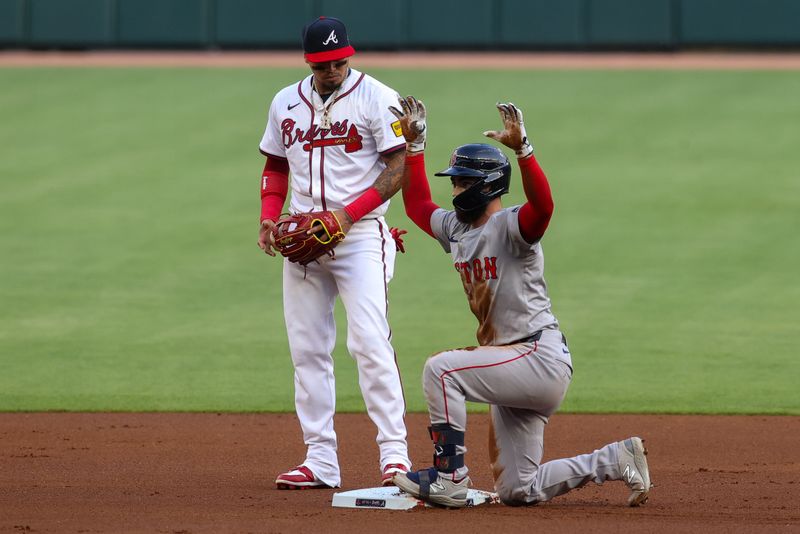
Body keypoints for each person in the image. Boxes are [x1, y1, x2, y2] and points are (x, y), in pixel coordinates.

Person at [389, 96, 652, 508]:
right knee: (518, 489)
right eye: (454, 181)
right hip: (514, 366)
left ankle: (449, 476)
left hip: (536, 356)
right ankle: (617, 459)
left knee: (441, 370)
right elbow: (417, 205)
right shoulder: (457, 229)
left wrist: (524, 152)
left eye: (461, 181)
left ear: (486, 185)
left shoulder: (511, 227)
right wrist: (414, 146)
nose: (455, 188)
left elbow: (543, 208)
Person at [256, 16, 411, 489]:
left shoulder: (378, 97)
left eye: (341, 60)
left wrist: (347, 215)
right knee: (307, 350)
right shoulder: (285, 101)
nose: (334, 69)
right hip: (302, 239)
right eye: (324, 64)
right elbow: (276, 163)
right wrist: (269, 214)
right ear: (309, 62)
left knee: (368, 341)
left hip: (361, 235)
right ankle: (320, 459)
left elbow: (398, 166)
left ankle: (395, 457)